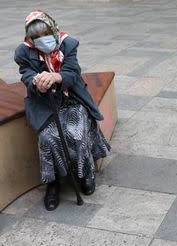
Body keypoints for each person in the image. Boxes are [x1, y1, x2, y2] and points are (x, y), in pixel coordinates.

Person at [14, 11, 111, 211]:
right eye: (36, 37)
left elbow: (72, 72)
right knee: (48, 137)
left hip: (72, 99)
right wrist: (37, 82)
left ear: (53, 30)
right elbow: (26, 74)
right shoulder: (24, 52)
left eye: (45, 33)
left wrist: (57, 78)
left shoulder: (68, 44)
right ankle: (53, 182)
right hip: (45, 103)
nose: (42, 40)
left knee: (76, 133)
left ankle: (85, 174)